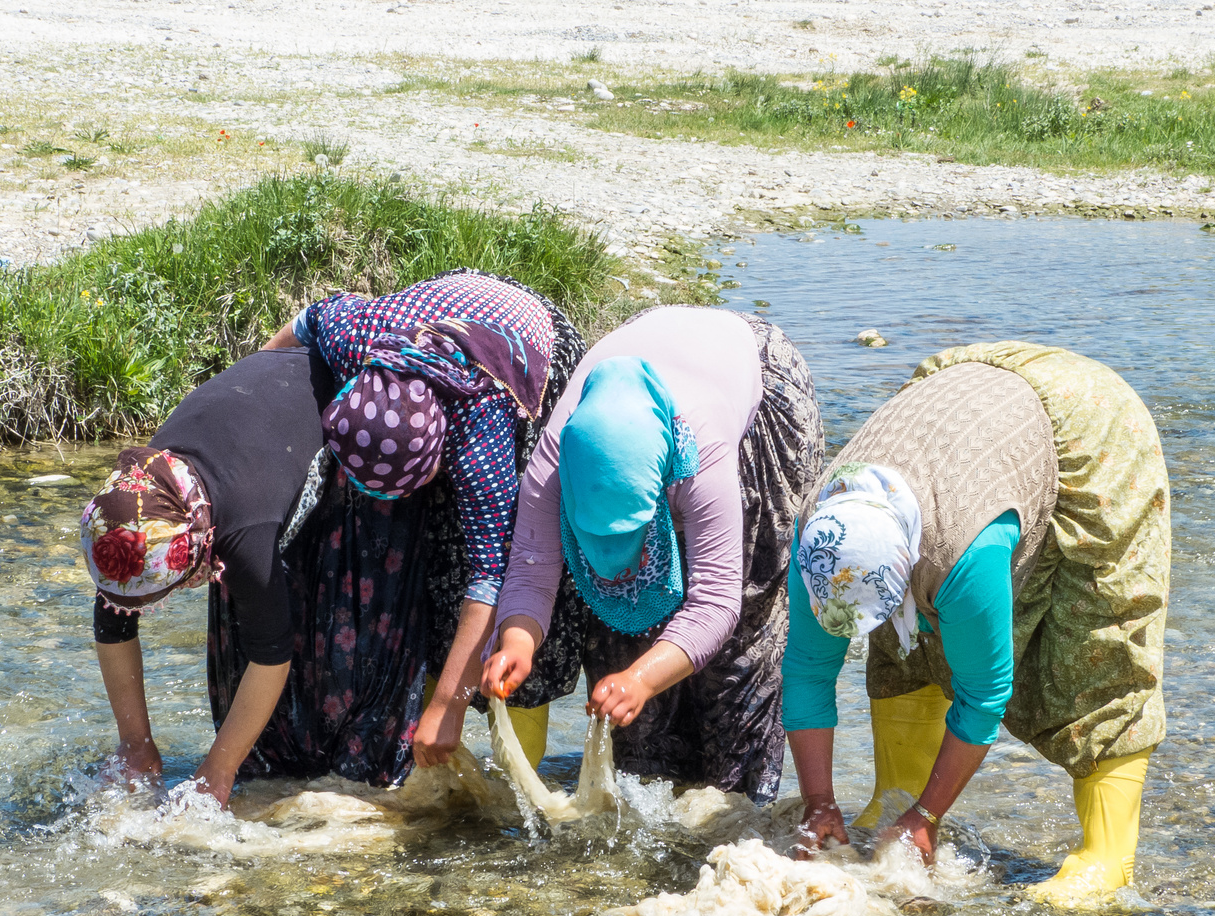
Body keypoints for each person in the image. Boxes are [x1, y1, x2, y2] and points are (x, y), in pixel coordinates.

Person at [782, 341, 1170, 906]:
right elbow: (807, 671)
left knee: (1093, 643)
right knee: (902, 644)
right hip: (965, 405)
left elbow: (986, 696)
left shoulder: (963, 552)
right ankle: (895, 797)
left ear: (911, 559)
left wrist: (930, 815)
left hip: (1088, 431)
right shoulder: (821, 536)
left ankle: (1106, 858)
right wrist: (818, 802)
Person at [238, 269, 588, 782]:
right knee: (428, 570)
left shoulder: (483, 433)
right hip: (448, 307)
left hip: (531, 356)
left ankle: (512, 769)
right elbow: (299, 327)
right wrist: (247, 405)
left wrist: (448, 705)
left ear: (446, 451)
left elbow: (496, 572)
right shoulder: (353, 335)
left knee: (529, 566)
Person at [481, 306, 824, 803]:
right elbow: (532, 573)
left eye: (636, 538)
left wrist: (640, 680)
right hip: (648, 360)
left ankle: (733, 800)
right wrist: (517, 643)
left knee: (742, 644)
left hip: (748, 379)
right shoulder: (555, 460)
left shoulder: (701, 455)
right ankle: (651, 784)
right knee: (623, 635)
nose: (629, 565)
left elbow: (717, 603)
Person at [81, 346, 332, 808]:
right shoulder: (143, 495)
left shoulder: (246, 531)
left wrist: (218, 770)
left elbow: (273, 654)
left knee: (293, 623)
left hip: (330, 396)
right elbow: (113, 616)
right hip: (256, 408)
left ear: (198, 553)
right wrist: (135, 743)